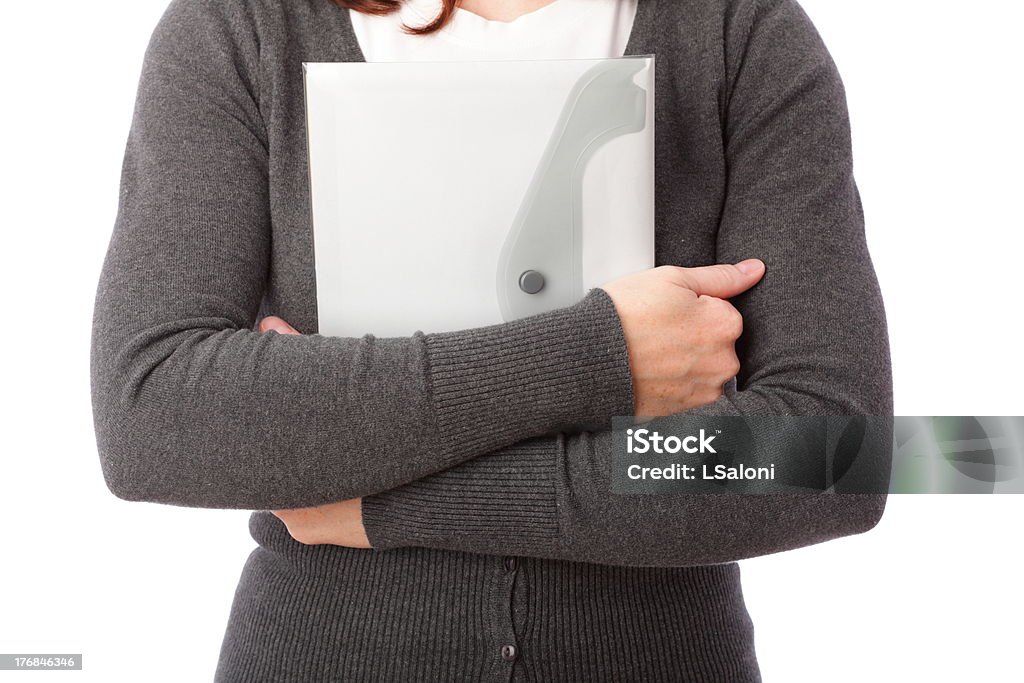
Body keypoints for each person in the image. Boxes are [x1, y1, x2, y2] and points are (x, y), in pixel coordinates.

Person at [90, 0, 892, 679]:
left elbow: (834, 455)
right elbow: (153, 417)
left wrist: (374, 503)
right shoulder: (241, 25)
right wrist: (601, 353)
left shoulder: (739, 28)